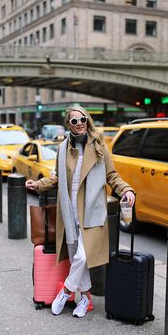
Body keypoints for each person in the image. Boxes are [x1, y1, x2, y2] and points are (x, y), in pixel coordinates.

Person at [25, 106, 135, 318]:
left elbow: (111, 175)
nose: (80, 123)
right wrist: (38, 185)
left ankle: (66, 291)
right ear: (68, 125)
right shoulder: (63, 148)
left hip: (92, 211)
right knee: (77, 256)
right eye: (74, 121)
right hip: (69, 211)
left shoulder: (99, 145)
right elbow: (57, 177)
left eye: (82, 119)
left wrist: (126, 189)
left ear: (88, 120)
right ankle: (85, 298)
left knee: (83, 256)